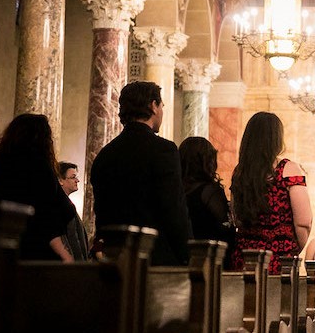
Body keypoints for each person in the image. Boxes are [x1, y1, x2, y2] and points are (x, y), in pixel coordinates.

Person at [90, 81, 191, 266]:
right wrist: (187, 254)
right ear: (153, 106)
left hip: (115, 261)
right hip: (155, 260)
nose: (161, 111)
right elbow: (174, 210)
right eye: (161, 106)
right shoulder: (163, 150)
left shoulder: (105, 155)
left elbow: (102, 215)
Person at [230, 112, 312, 274]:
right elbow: (304, 222)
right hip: (279, 257)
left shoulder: (240, 172)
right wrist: (292, 250)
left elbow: (237, 217)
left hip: (245, 254)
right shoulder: (288, 169)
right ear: (276, 138)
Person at [0, 114, 75, 262]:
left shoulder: (2, 168)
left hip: (5, 251)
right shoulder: (41, 169)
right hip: (38, 253)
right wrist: (63, 253)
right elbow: (45, 216)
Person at [178, 137, 234, 248]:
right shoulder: (210, 191)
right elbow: (225, 224)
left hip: (184, 248)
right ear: (207, 160)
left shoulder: (178, 188)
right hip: (208, 251)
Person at [56, 161, 89, 261]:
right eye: (73, 177)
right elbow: (72, 238)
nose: (77, 180)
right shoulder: (61, 205)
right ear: (60, 180)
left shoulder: (67, 203)